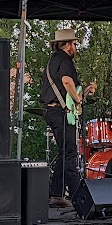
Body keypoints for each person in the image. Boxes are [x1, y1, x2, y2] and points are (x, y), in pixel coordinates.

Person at [40, 29, 96, 208]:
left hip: (54, 111)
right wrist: (79, 99)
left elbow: (67, 92)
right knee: (70, 153)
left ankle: (56, 194)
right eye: (75, 44)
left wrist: (84, 92)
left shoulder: (53, 61)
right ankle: (76, 195)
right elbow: (66, 81)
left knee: (64, 152)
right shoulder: (65, 59)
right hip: (60, 112)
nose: (76, 47)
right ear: (68, 45)